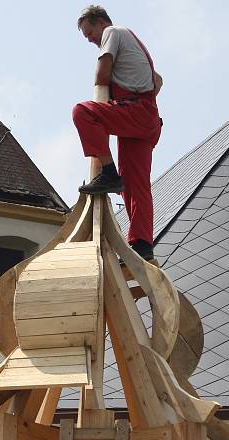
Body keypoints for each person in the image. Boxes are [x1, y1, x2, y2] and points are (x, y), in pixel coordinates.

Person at [72, 5, 163, 261]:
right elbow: (158, 81)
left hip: (136, 113)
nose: (90, 39)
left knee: (83, 112)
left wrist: (112, 95)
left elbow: (101, 75)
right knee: (136, 187)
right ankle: (143, 245)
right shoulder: (133, 45)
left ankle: (109, 172)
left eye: (89, 32)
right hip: (146, 121)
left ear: (100, 22)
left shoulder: (113, 32)